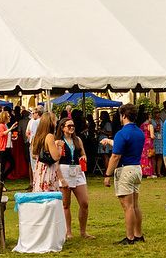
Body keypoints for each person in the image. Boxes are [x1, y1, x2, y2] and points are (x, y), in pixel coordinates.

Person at [103, 105, 145, 245]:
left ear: (124, 116)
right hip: (137, 168)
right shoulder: (139, 132)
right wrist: (110, 142)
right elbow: (126, 146)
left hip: (125, 170)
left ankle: (130, 237)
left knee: (127, 206)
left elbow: (115, 156)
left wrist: (107, 174)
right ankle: (138, 234)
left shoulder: (121, 133)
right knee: (135, 205)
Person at [53, 117, 94, 239]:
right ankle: (68, 231)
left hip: (77, 170)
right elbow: (56, 161)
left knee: (84, 202)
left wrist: (83, 158)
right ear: (62, 128)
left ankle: (83, 231)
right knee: (66, 204)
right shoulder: (58, 141)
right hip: (64, 170)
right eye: (69, 126)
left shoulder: (78, 140)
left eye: (73, 126)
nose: (71, 128)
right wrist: (61, 178)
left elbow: (83, 153)